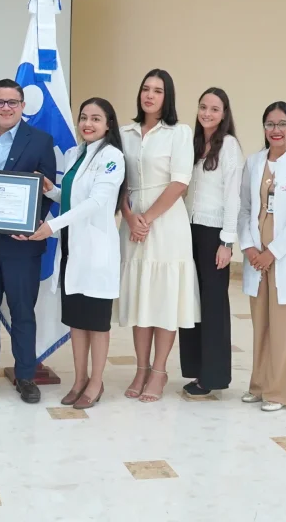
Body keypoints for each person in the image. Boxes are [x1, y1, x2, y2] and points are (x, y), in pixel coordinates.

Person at [19, 98, 125, 410]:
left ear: (108, 124)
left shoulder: (112, 157)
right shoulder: (74, 153)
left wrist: (51, 226)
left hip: (95, 253)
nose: (88, 124)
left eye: (96, 118)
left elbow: (95, 202)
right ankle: (79, 379)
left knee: (97, 323)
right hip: (71, 250)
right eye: (84, 117)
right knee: (77, 321)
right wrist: (50, 190)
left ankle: (96, 382)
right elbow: (71, 197)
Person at [0, 79, 57, 404]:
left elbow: (46, 190)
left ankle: (26, 375)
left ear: (22, 106)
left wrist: (31, 224)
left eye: (12, 102)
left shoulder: (41, 140)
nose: (6, 108)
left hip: (22, 244)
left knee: (22, 312)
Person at [118, 68, 200, 403]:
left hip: (166, 223)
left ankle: (159, 370)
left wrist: (147, 219)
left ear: (168, 97)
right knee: (141, 296)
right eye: (145, 89)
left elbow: (180, 182)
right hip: (132, 221)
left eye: (158, 90)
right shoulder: (124, 133)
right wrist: (130, 217)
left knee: (164, 297)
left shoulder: (179, 132)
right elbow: (118, 181)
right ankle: (141, 368)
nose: (150, 95)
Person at [238, 101, 286, 412]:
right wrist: (249, 247)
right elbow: (245, 209)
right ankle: (258, 386)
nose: (276, 130)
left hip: (285, 255)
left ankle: (279, 393)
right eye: (270, 124)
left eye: (282, 124)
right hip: (256, 256)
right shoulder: (254, 162)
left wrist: (272, 253)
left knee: (283, 329)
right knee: (261, 325)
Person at [180, 88, 244, 397]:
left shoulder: (229, 146)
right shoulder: (193, 144)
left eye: (214, 109)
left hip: (214, 233)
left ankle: (213, 376)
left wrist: (227, 242)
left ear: (224, 114)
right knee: (191, 301)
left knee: (213, 304)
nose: (207, 113)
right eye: (203, 107)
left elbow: (233, 196)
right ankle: (196, 369)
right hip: (188, 230)